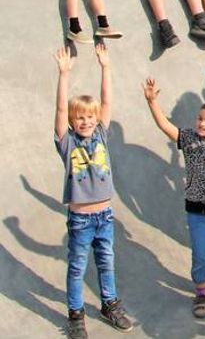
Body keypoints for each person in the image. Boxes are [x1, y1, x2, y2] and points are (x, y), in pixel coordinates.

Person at [142, 80, 205, 318]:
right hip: (197, 212)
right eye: (199, 119)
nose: (201, 123)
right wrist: (152, 102)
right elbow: (165, 126)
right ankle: (200, 293)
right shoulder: (188, 139)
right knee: (201, 254)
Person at [53, 45, 134, 338]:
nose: (85, 122)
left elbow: (107, 102)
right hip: (80, 220)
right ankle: (75, 315)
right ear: (73, 122)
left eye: (89, 117)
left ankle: (109, 303)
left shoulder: (101, 133)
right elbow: (61, 109)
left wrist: (106, 67)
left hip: (105, 215)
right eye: (80, 118)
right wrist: (64, 74)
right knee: (77, 267)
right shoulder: (68, 143)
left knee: (106, 261)